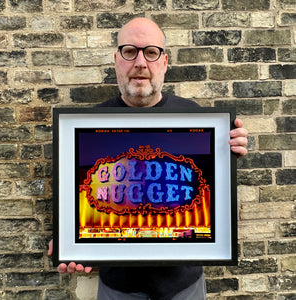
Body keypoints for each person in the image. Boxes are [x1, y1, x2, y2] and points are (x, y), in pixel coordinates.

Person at [48, 17, 248, 300]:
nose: (140, 62)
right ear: (116, 60)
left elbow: (214, 191)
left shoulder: (196, 117)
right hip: (118, 289)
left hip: (184, 287)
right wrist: (69, 237)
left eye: (151, 52)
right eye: (130, 51)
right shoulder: (84, 127)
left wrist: (232, 148)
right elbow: (73, 201)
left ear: (164, 62)